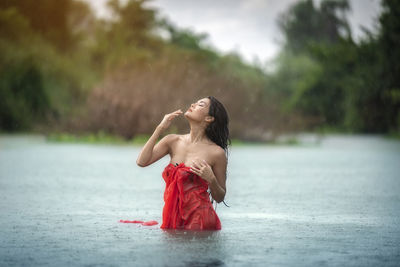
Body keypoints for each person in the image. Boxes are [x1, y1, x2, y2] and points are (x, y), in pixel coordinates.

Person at [136, 96, 231, 230]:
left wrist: (211, 179)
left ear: (209, 118)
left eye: (200, 104)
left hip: (200, 220)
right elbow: (142, 161)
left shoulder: (217, 153)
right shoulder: (172, 141)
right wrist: (159, 128)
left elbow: (220, 197)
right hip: (172, 217)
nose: (193, 104)